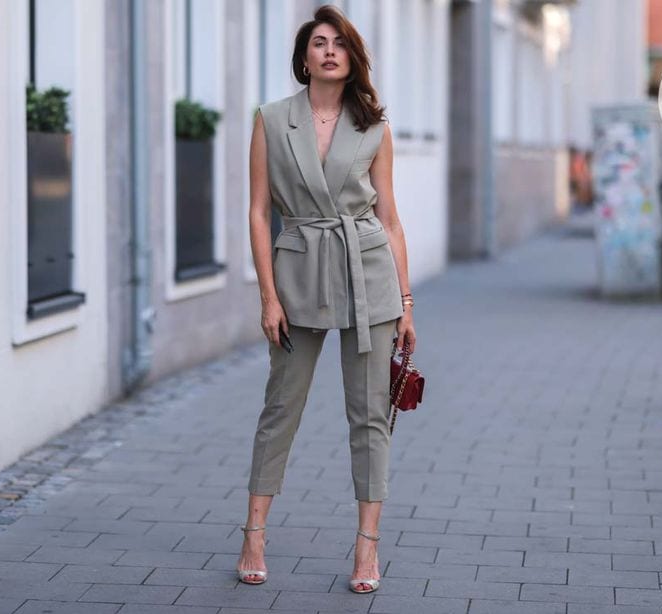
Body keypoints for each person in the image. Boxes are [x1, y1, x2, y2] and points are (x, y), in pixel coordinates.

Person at [237, 4, 417, 595]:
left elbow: (389, 217)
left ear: (352, 56)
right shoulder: (270, 118)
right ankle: (254, 534)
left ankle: (367, 549)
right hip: (297, 273)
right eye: (319, 42)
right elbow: (260, 212)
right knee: (281, 408)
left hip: (367, 272)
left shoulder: (374, 126)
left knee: (369, 418)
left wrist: (407, 302)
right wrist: (268, 295)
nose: (330, 50)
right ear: (304, 56)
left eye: (340, 42)